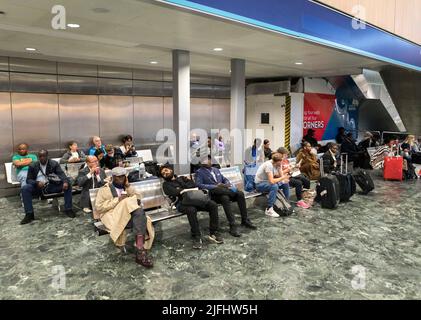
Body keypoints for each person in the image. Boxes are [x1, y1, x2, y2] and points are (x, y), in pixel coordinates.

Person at [95, 167, 153, 268]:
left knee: (139, 212)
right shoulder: (104, 189)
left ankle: (140, 250)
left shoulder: (127, 186)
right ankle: (140, 250)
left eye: (123, 177)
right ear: (113, 177)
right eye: (118, 177)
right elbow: (99, 208)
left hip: (128, 216)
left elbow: (139, 198)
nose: (121, 179)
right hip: (112, 215)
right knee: (132, 205)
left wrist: (128, 186)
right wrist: (118, 200)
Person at [160, 165, 223, 249]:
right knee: (191, 209)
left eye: (166, 170)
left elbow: (193, 185)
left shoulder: (182, 178)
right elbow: (174, 192)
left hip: (195, 200)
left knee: (212, 205)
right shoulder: (166, 185)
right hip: (181, 203)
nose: (165, 173)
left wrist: (182, 189)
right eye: (163, 173)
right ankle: (196, 236)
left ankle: (214, 232)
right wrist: (183, 188)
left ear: (171, 170)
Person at [196, 155, 256, 237]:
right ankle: (232, 225)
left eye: (209, 160)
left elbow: (224, 179)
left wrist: (227, 183)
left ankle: (245, 220)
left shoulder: (216, 169)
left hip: (224, 191)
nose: (208, 162)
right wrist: (215, 186)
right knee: (227, 196)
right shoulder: (200, 172)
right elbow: (199, 185)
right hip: (213, 194)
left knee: (239, 194)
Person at [20, 150, 75, 225]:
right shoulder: (33, 165)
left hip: (51, 186)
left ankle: (68, 209)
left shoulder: (53, 163)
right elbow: (28, 180)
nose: (42, 158)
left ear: (47, 156)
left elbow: (62, 174)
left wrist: (65, 182)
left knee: (68, 184)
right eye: (40, 156)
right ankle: (29, 214)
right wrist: (37, 183)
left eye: (44, 156)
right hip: (38, 188)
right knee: (25, 188)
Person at [255, 153, 291, 218]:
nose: (282, 162)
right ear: (277, 161)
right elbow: (272, 181)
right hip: (260, 184)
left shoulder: (277, 164)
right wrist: (282, 178)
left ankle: (286, 205)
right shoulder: (268, 165)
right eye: (281, 161)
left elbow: (281, 176)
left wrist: (284, 179)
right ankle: (269, 209)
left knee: (285, 184)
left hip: (267, 182)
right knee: (274, 186)